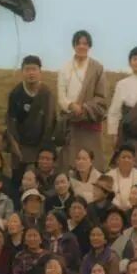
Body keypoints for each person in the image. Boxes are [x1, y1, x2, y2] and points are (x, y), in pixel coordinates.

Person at [56, 30, 108, 171]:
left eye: (85, 43)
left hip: (90, 123)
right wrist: (71, 105)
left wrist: (85, 108)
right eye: (78, 43)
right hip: (71, 122)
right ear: (74, 45)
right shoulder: (65, 68)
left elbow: (101, 97)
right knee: (71, 164)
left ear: (89, 46)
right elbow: (61, 97)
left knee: (93, 165)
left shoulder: (97, 68)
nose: (81, 46)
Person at [4, 56, 57, 181]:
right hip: (21, 145)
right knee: (18, 179)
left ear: (40, 72)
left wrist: (43, 149)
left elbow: (50, 122)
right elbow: (11, 121)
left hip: (41, 144)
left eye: (34, 69)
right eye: (27, 69)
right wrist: (15, 146)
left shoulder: (46, 93)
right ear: (22, 72)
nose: (31, 73)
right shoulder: (16, 93)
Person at [109, 144, 137, 212]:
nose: (126, 160)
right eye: (123, 157)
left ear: (134, 160)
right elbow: (106, 196)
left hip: (134, 211)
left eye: (129, 157)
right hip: (114, 211)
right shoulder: (109, 175)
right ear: (118, 160)